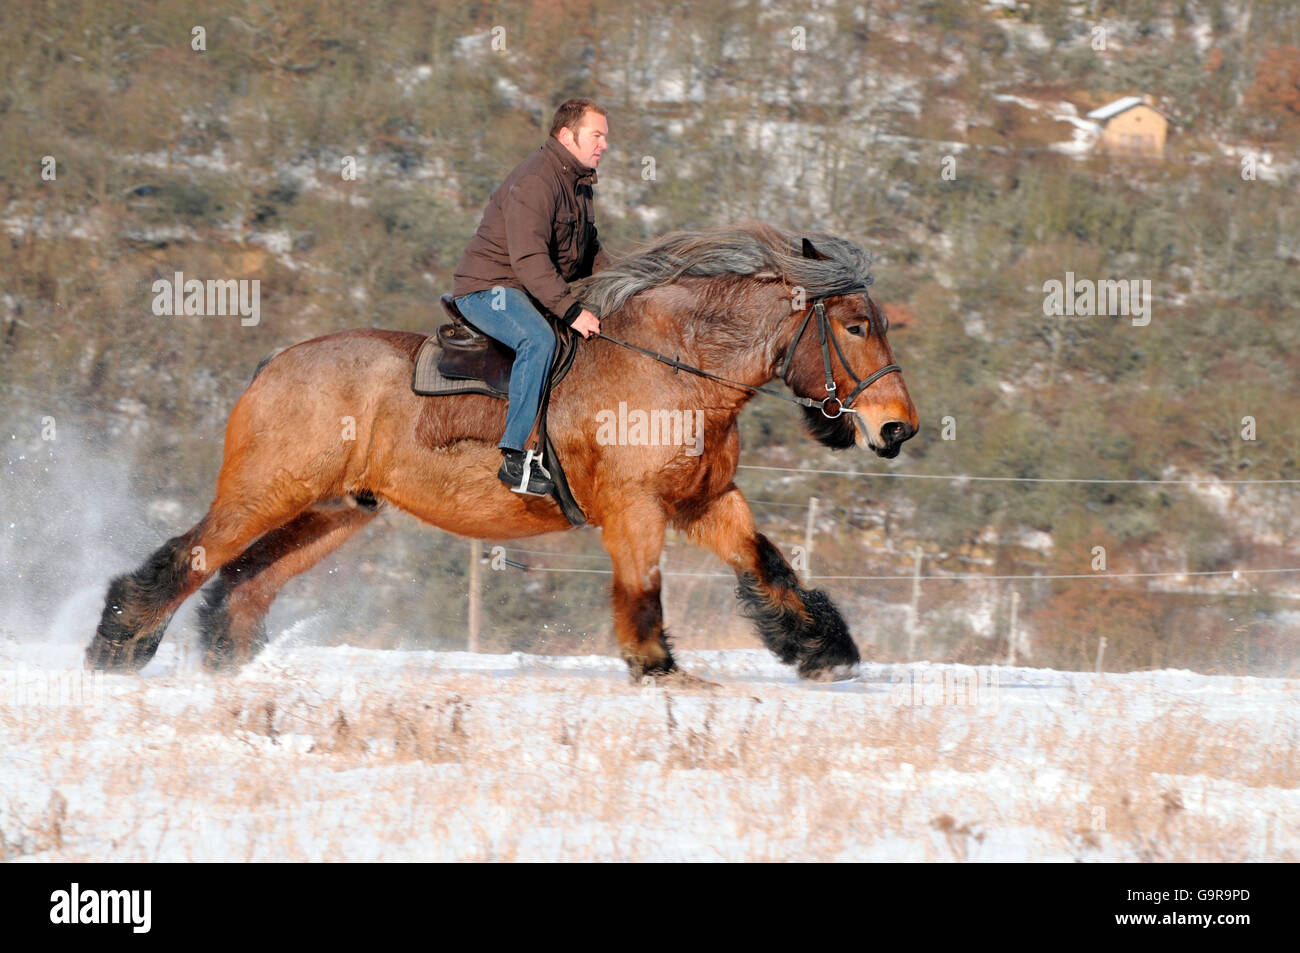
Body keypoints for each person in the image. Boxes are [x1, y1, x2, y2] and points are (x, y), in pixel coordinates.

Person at [451, 98, 610, 495]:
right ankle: (515, 456)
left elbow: (591, 253)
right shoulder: (537, 180)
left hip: (531, 290)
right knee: (536, 339)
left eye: (605, 137)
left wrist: (624, 291)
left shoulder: (579, 183)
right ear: (566, 135)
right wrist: (572, 311)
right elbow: (528, 259)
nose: (604, 145)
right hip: (491, 289)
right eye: (597, 135)